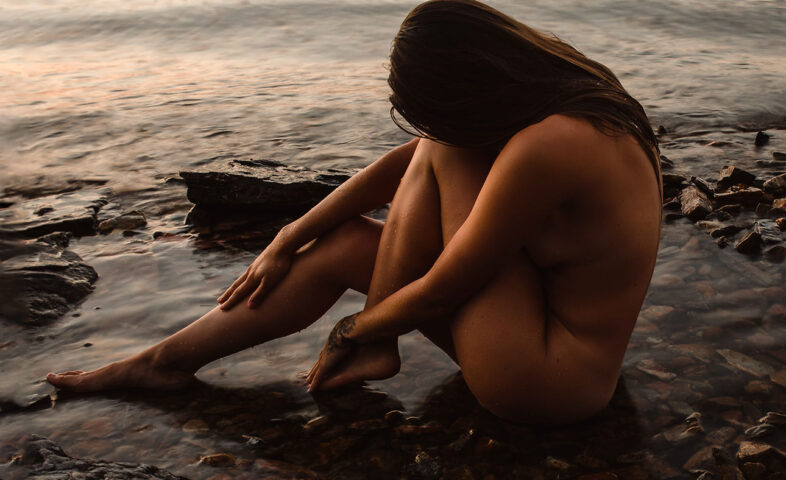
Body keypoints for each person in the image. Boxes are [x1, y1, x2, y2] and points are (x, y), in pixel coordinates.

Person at [46, 0, 661, 425]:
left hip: (546, 383)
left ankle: (373, 347)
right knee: (342, 243)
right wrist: (290, 234)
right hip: (535, 339)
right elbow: (408, 162)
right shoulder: (578, 102)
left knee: (442, 150)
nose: (441, 128)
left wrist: (353, 329)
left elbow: (442, 292)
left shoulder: (552, 143)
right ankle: (161, 364)